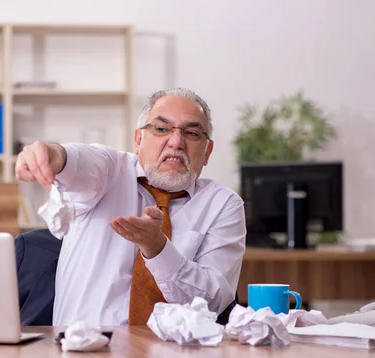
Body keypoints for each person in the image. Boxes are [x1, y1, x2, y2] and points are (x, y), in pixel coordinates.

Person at [15, 87, 246, 326]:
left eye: (192, 133)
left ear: (207, 152)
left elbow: (214, 302)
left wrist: (158, 249)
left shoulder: (223, 204)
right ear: (138, 140)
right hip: (85, 352)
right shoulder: (111, 170)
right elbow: (81, 161)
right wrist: (54, 155)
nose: (176, 142)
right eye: (161, 129)